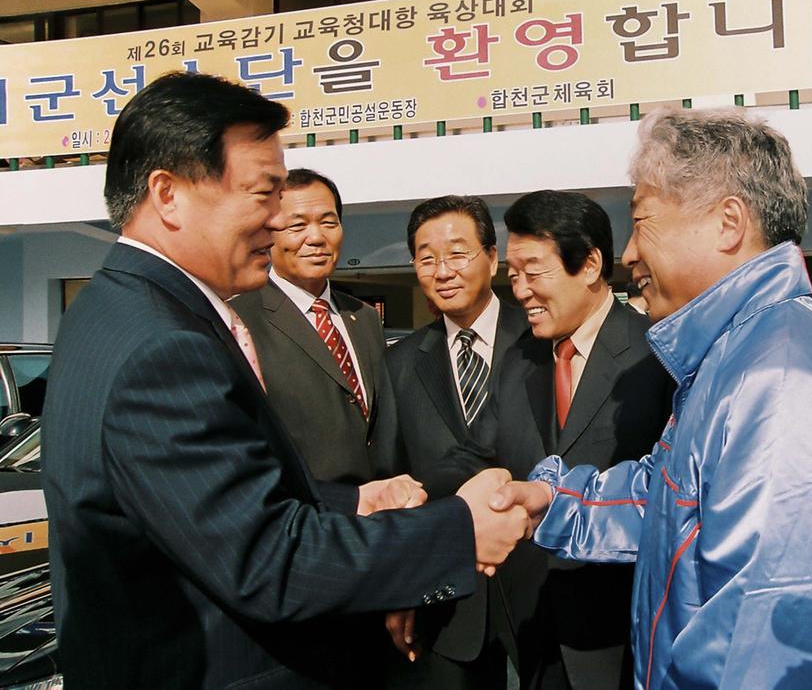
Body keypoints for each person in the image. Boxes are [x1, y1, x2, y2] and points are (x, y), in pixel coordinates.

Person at [40, 71, 528, 689]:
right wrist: (460, 531)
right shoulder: (163, 349)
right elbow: (266, 560)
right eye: (263, 194)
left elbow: (204, 506)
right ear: (168, 193)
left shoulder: (115, 306)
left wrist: (355, 501)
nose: (280, 221)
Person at [493, 109, 812, 689]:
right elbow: (676, 503)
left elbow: (775, 655)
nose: (628, 253)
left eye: (642, 223)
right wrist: (557, 503)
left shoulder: (783, 387)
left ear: (728, 223)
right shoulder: (738, 355)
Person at [426, 190, 674, 690]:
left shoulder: (656, 355)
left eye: (533, 272)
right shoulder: (520, 359)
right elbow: (476, 454)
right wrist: (403, 499)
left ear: (589, 264)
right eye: (512, 275)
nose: (519, 291)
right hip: (535, 627)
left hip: (623, 635)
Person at [384, 195, 528, 689]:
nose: (443, 270)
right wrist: (399, 585)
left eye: (458, 254)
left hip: (539, 590)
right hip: (445, 601)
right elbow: (394, 478)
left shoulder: (543, 340)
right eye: (427, 258)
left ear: (492, 257)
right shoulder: (399, 363)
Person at [232, 168, 402, 484]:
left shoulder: (363, 316)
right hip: (308, 513)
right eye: (297, 225)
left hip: (383, 511)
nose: (316, 238)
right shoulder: (240, 320)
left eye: (328, 222)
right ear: (270, 232)